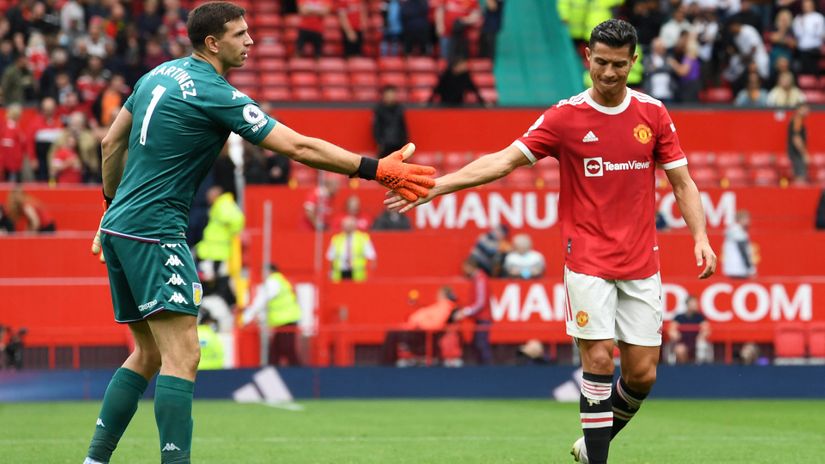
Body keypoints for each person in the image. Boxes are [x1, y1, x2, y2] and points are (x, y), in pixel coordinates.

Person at [85, 4, 435, 464]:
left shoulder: (156, 75)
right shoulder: (215, 92)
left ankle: (95, 460)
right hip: (155, 231)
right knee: (183, 355)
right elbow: (298, 146)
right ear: (213, 43)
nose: (251, 41)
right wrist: (375, 169)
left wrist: (111, 206)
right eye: (240, 34)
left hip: (119, 227)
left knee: (148, 354)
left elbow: (111, 143)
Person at [386, 19, 717, 464]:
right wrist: (439, 186)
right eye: (600, 62)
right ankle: (598, 459)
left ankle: (591, 445)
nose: (608, 73)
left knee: (642, 375)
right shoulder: (565, 117)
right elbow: (504, 161)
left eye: (619, 65)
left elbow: (683, 183)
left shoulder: (653, 114)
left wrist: (700, 236)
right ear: (588, 58)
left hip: (641, 262)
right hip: (587, 260)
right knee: (598, 359)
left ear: (633, 63)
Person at [241, 264, 303, 366]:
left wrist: (248, 316)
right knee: (277, 350)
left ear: (269, 271)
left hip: (286, 320)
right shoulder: (281, 281)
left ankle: (298, 374)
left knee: (286, 349)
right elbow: (271, 304)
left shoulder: (273, 281)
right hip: (285, 320)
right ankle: (277, 371)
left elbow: (262, 300)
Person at [195, 185, 245, 309]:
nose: (207, 197)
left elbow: (237, 220)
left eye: (210, 194)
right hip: (210, 252)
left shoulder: (223, 204)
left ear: (216, 194)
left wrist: (229, 227)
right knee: (210, 280)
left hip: (215, 254)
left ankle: (227, 305)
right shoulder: (220, 205)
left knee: (209, 282)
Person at [381, 286, 458, 366]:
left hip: (423, 334)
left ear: (444, 295)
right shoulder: (438, 306)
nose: (437, 296)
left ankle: (386, 365)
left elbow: (435, 325)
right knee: (393, 331)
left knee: (392, 334)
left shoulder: (446, 307)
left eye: (439, 294)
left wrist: (418, 322)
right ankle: (388, 364)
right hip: (417, 330)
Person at [452, 258, 493, 365]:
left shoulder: (480, 279)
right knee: (477, 343)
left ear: (470, 266)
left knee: (481, 344)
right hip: (479, 318)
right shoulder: (477, 279)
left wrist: (465, 312)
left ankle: (488, 368)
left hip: (484, 317)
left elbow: (481, 302)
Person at [326, 215, 377, 282]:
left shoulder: (363, 238)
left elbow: (371, 256)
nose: (347, 227)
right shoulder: (336, 239)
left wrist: (369, 273)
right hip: (340, 273)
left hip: (357, 273)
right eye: (345, 225)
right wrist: (330, 272)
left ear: (354, 226)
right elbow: (330, 257)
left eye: (349, 225)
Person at [666, 295, 711, 364]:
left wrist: (701, 336)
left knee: (701, 347)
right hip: (682, 342)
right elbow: (671, 329)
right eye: (693, 303)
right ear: (687, 304)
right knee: (679, 350)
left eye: (696, 303)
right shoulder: (679, 317)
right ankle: (685, 368)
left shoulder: (700, 317)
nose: (695, 305)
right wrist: (675, 334)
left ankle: (697, 369)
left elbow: (706, 329)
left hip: (696, 343)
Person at [373, 85, 409, 158]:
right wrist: (380, 142)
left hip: (399, 144)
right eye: (388, 94)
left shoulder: (400, 109)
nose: (390, 96)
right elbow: (376, 128)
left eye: (392, 94)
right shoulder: (379, 109)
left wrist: (405, 143)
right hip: (385, 145)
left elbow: (403, 127)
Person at [722, 210, 756, 279]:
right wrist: (749, 267)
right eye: (746, 219)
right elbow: (742, 249)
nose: (748, 221)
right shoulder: (737, 231)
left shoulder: (732, 230)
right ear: (741, 219)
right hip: (739, 268)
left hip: (732, 268)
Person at [787, 103, 810, 184]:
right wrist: (804, 153)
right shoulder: (797, 120)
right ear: (798, 110)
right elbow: (796, 138)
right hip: (796, 154)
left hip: (795, 153)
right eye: (805, 108)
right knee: (800, 177)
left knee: (799, 176)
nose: (807, 110)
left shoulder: (797, 120)